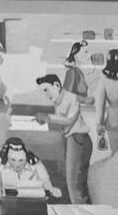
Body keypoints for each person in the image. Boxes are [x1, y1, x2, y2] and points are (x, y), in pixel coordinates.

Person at [33, 73, 92, 204]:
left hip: (78, 140)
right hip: (73, 139)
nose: (45, 94)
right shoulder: (58, 100)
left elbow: (69, 120)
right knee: (76, 185)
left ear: (57, 85)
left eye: (46, 90)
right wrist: (45, 120)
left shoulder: (71, 98)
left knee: (74, 186)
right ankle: (85, 214)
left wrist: (48, 118)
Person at [0, 137, 61, 201]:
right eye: (13, 160)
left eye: (21, 160)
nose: (17, 165)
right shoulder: (0, 165)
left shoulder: (36, 164)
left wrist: (52, 191)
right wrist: (4, 199)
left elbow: (47, 186)